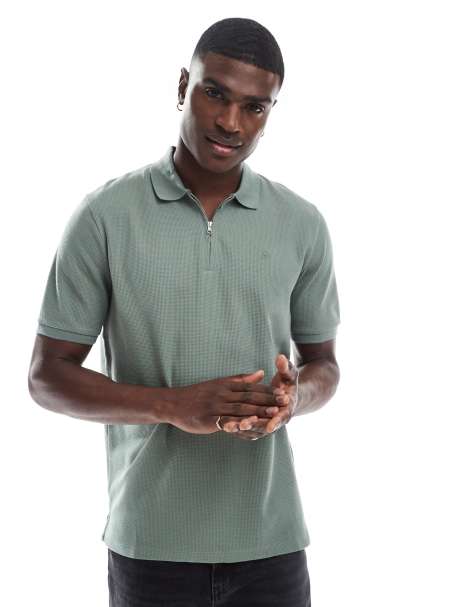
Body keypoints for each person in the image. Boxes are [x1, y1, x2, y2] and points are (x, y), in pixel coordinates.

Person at [28, 16, 340, 607]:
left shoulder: (302, 224)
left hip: (272, 543)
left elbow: (324, 364)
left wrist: (293, 397)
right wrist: (172, 406)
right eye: (215, 93)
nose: (231, 122)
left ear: (270, 113)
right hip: (150, 547)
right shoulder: (105, 216)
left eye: (255, 107)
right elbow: (46, 377)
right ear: (182, 86)